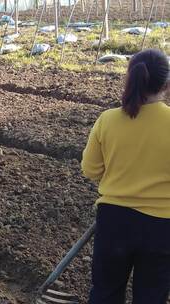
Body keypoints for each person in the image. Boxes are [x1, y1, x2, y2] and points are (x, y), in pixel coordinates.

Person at [81, 49, 170, 304]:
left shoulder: (107, 120)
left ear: (129, 79)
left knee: (105, 293)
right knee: (151, 296)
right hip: (161, 228)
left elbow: (90, 169)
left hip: (114, 222)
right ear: (165, 84)